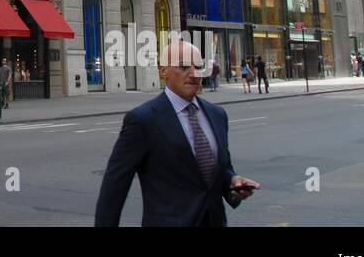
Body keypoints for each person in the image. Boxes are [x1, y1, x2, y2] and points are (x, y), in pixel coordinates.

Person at [95, 39, 260, 227]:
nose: (193, 73)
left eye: (198, 66)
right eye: (183, 67)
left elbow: (220, 169)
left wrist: (234, 182)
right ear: (163, 70)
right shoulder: (143, 120)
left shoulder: (217, 115)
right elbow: (114, 186)